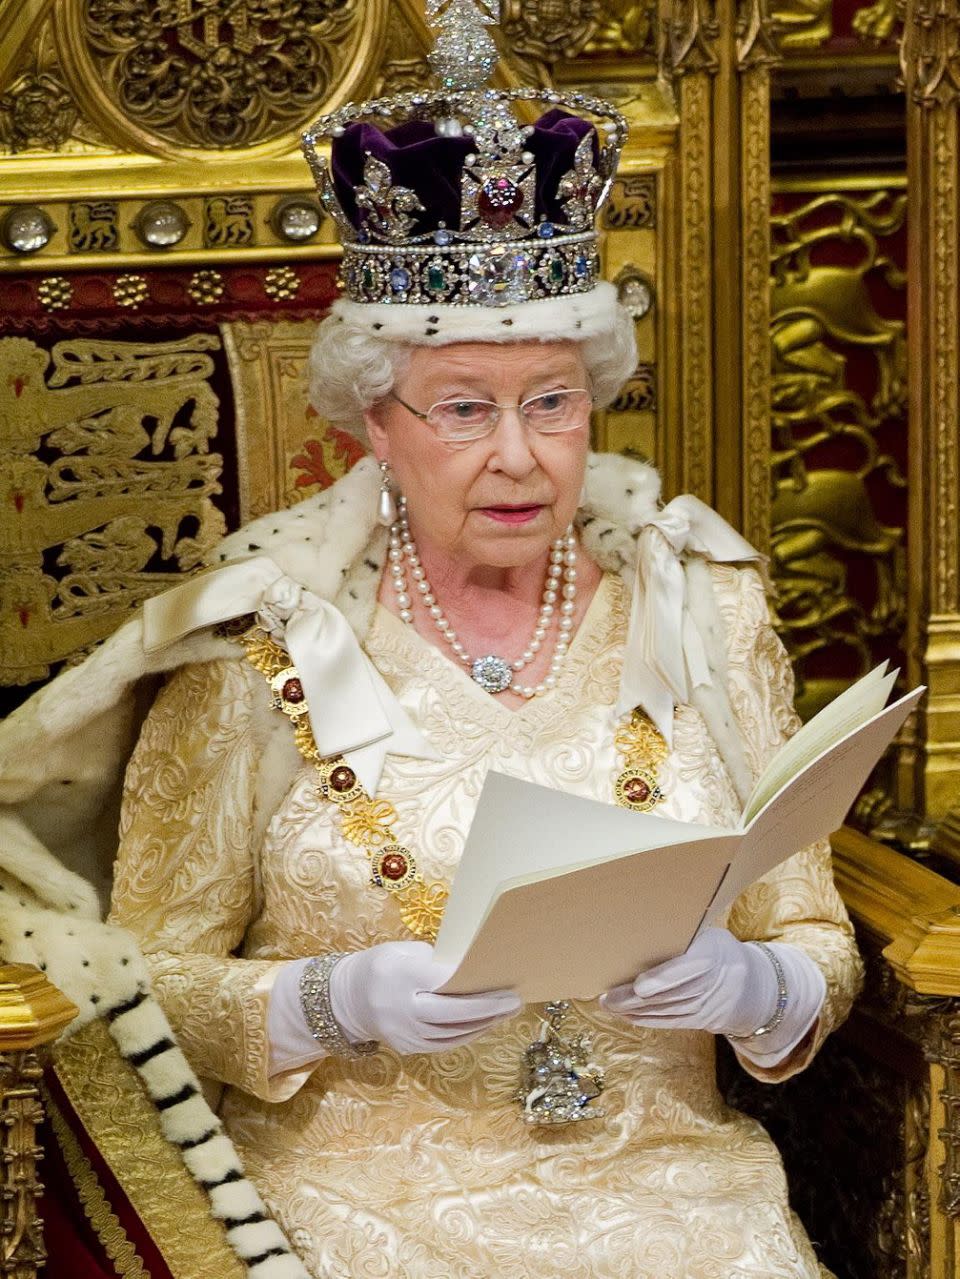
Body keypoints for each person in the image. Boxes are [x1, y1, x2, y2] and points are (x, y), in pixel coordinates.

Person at [102, 5, 862, 1276]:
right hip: (351, 1203)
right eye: (464, 408)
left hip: (677, 1197)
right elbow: (136, 983)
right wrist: (322, 1003)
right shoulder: (255, 647)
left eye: (553, 403)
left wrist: (757, 990)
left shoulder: (704, 612)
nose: (519, 456)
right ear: (372, 427)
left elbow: (818, 935)